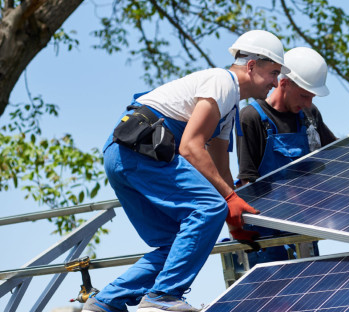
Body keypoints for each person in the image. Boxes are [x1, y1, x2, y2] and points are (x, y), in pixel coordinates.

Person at [82, 30, 288, 312]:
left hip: (122, 155)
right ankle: (163, 296)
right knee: (207, 208)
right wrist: (226, 201)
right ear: (251, 66)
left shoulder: (229, 108)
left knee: (175, 244)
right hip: (143, 152)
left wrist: (233, 221)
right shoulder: (222, 82)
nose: (276, 83)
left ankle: (107, 302)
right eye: (273, 72)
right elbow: (191, 148)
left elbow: (219, 167)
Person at [235, 47, 336, 267]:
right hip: (266, 234)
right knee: (274, 297)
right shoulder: (251, 117)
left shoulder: (310, 115)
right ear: (284, 83)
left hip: (303, 223)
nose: (308, 103)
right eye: (304, 95)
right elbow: (247, 182)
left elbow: (337, 156)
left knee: (312, 288)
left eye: (312, 97)